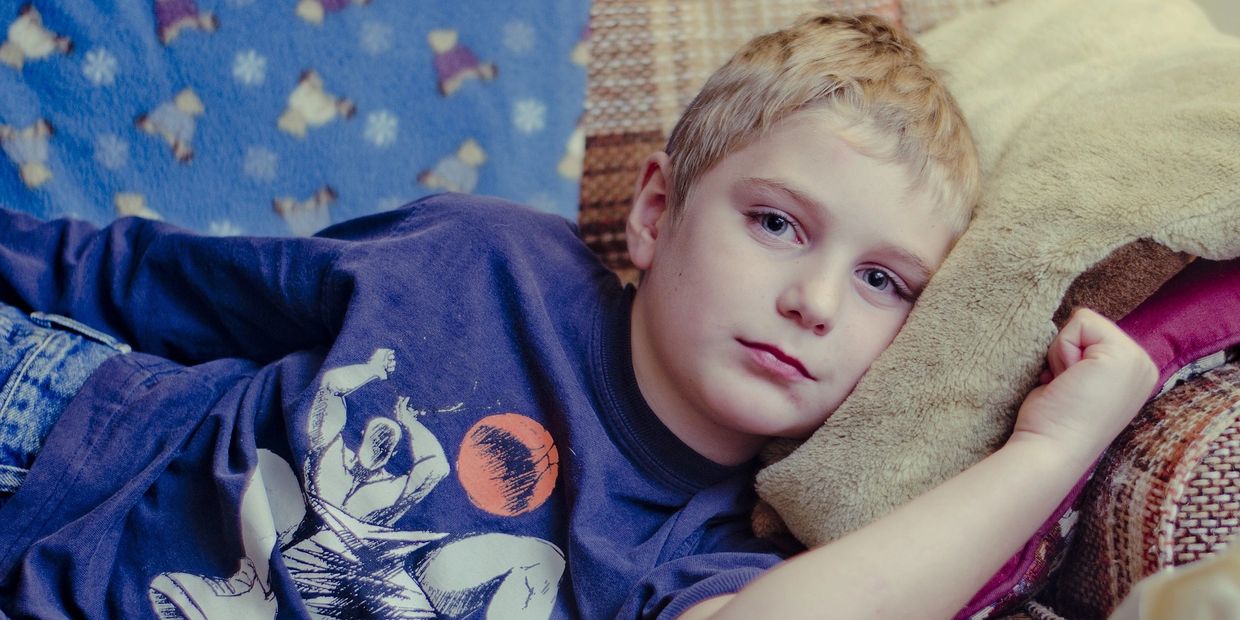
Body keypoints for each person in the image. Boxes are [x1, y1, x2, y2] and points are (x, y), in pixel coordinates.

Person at [0, 13, 1155, 620]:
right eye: (777, 224)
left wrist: (1053, 448)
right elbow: (151, 278)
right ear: (656, 211)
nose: (811, 299)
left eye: (881, 282)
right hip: (58, 440)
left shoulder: (695, 551)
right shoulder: (489, 259)